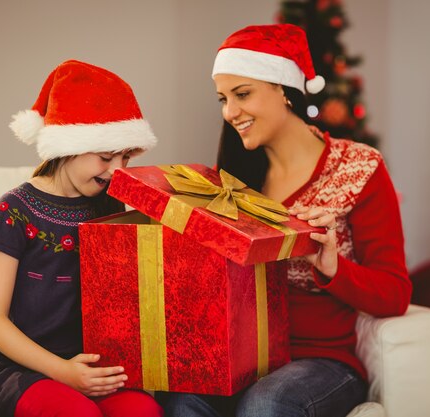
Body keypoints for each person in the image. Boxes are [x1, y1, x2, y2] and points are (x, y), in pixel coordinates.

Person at [156, 24, 412, 417]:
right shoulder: (229, 184)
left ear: (284, 90)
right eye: (223, 99)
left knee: (268, 403)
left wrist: (330, 267)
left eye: (243, 94)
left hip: (321, 362)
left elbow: (394, 294)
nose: (230, 112)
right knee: (179, 398)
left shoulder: (358, 167)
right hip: (239, 359)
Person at [0, 60, 163, 417]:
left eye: (126, 157)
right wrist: (62, 372)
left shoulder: (110, 208)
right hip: (17, 370)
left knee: (144, 411)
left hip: (87, 369)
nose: (116, 171)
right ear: (67, 147)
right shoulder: (15, 209)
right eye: (106, 157)